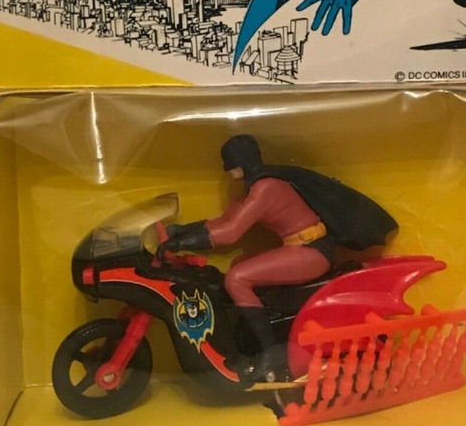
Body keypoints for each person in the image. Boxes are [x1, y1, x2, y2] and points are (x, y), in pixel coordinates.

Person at [156, 135, 397, 381]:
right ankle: (267, 324)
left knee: (236, 278)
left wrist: (180, 243)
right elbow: (224, 221)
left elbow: (230, 232)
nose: (227, 170)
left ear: (240, 162)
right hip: (299, 247)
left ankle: (272, 351)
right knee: (239, 264)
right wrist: (181, 231)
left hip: (312, 250)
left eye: (229, 163)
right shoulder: (254, 188)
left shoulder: (265, 188)